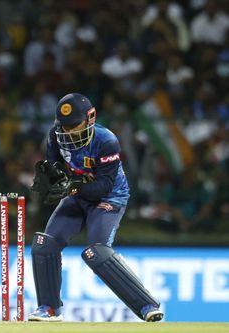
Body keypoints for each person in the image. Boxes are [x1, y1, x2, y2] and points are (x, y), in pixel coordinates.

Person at [29, 93, 163, 322]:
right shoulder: (55, 135)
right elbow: (54, 165)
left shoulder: (106, 140)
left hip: (109, 197)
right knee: (44, 245)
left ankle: (147, 305)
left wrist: (72, 188)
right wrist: (51, 178)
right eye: (64, 126)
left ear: (90, 118)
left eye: (74, 125)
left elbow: (104, 185)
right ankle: (49, 309)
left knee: (97, 253)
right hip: (77, 194)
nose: (68, 132)